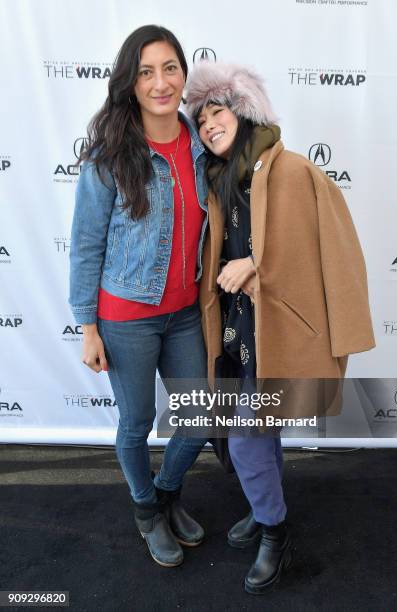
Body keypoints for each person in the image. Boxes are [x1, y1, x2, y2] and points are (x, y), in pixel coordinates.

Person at [185, 61, 375, 593]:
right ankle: (264, 506)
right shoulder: (221, 182)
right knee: (255, 438)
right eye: (200, 122)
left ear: (243, 112)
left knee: (247, 440)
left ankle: (276, 533)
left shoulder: (293, 170)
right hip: (239, 338)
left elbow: (333, 255)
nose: (208, 126)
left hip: (281, 334)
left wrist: (258, 268)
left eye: (217, 112)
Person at [69, 25, 209, 568]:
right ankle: (146, 509)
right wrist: (88, 326)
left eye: (170, 68)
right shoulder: (110, 156)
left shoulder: (202, 143)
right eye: (146, 72)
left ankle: (167, 494)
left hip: (185, 312)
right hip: (126, 315)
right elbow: (85, 244)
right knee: (136, 424)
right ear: (130, 82)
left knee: (199, 418)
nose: (160, 82)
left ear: (183, 73)